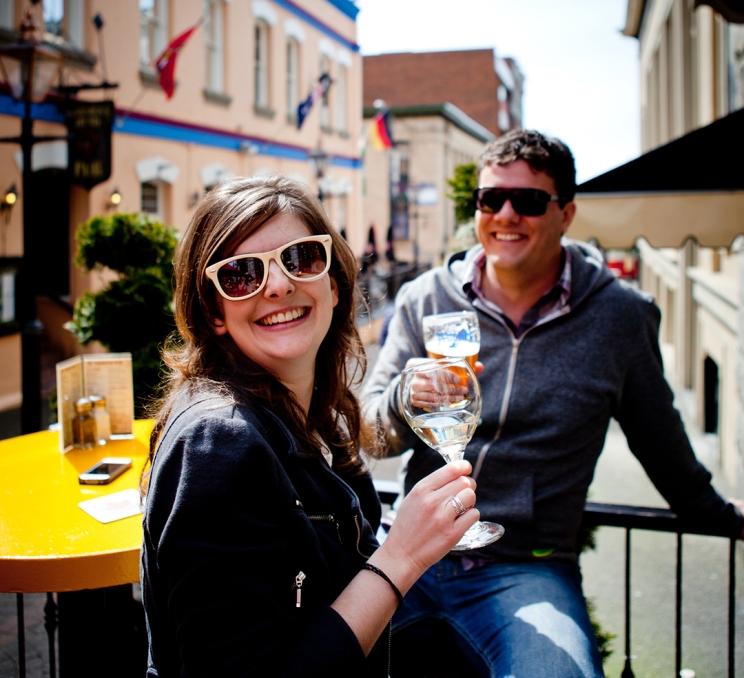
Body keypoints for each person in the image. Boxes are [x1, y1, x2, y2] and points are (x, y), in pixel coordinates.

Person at [361, 129, 744, 677]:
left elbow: (661, 443)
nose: (506, 215)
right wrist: (403, 398)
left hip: (525, 567)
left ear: (566, 214)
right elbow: (372, 436)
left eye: (529, 201)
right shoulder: (427, 298)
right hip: (406, 546)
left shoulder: (618, 318)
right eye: (492, 199)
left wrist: (719, 515)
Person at [140, 175, 481, 677]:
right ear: (214, 312)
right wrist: (402, 556)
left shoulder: (314, 417)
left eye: (300, 258)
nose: (278, 284)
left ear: (334, 284)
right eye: (240, 274)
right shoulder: (218, 444)